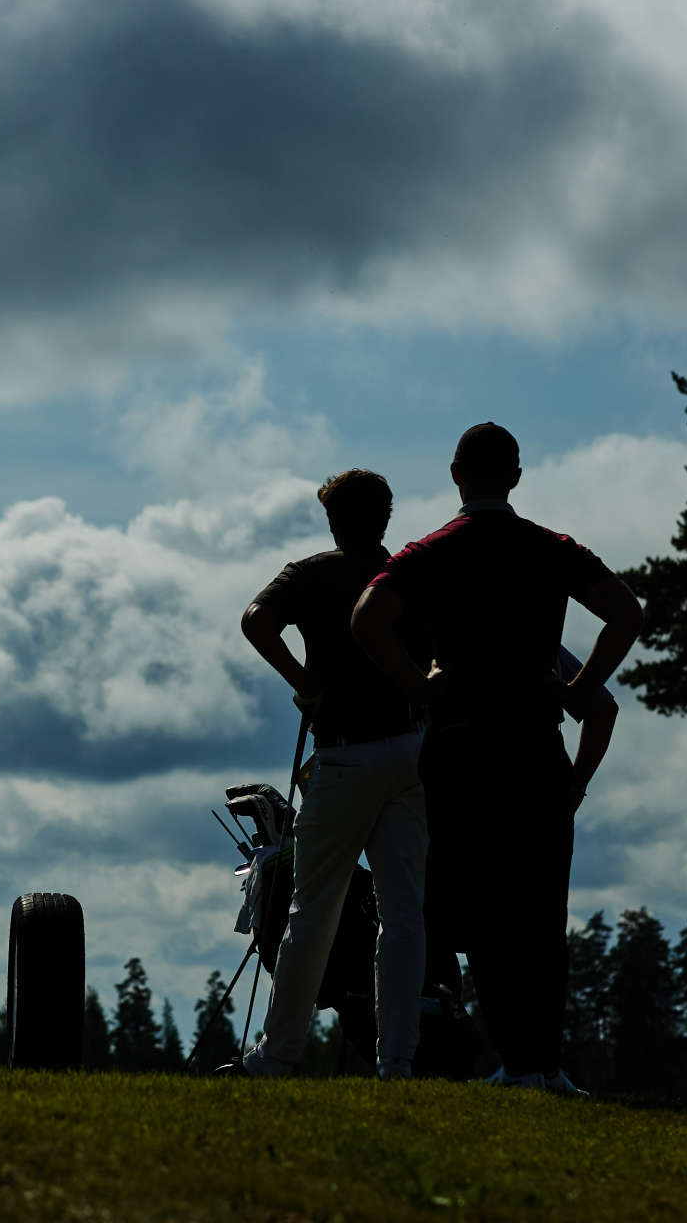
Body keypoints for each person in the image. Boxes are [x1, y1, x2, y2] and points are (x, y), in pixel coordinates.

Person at [351, 423, 641, 1094]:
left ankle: (516, 1061)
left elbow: (367, 618)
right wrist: (579, 688)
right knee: (540, 908)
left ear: (456, 473)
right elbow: (625, 612)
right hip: (534, 743)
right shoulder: (551, 549)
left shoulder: (431, 553)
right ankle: (543, 1062)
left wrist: (414, 685)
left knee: (478, 910)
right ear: (515, 476)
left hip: (459, 745)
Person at [232, 469, 429, 1079]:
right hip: (413, 752)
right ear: (387, 516)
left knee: (311, 909)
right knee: (404, 915)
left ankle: (282, 1054)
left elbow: (254, 620)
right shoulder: (415, 574)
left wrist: (304, 682)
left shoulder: (310, 573)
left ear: (332, 518)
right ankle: (396, 1060)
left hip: (344, 755)